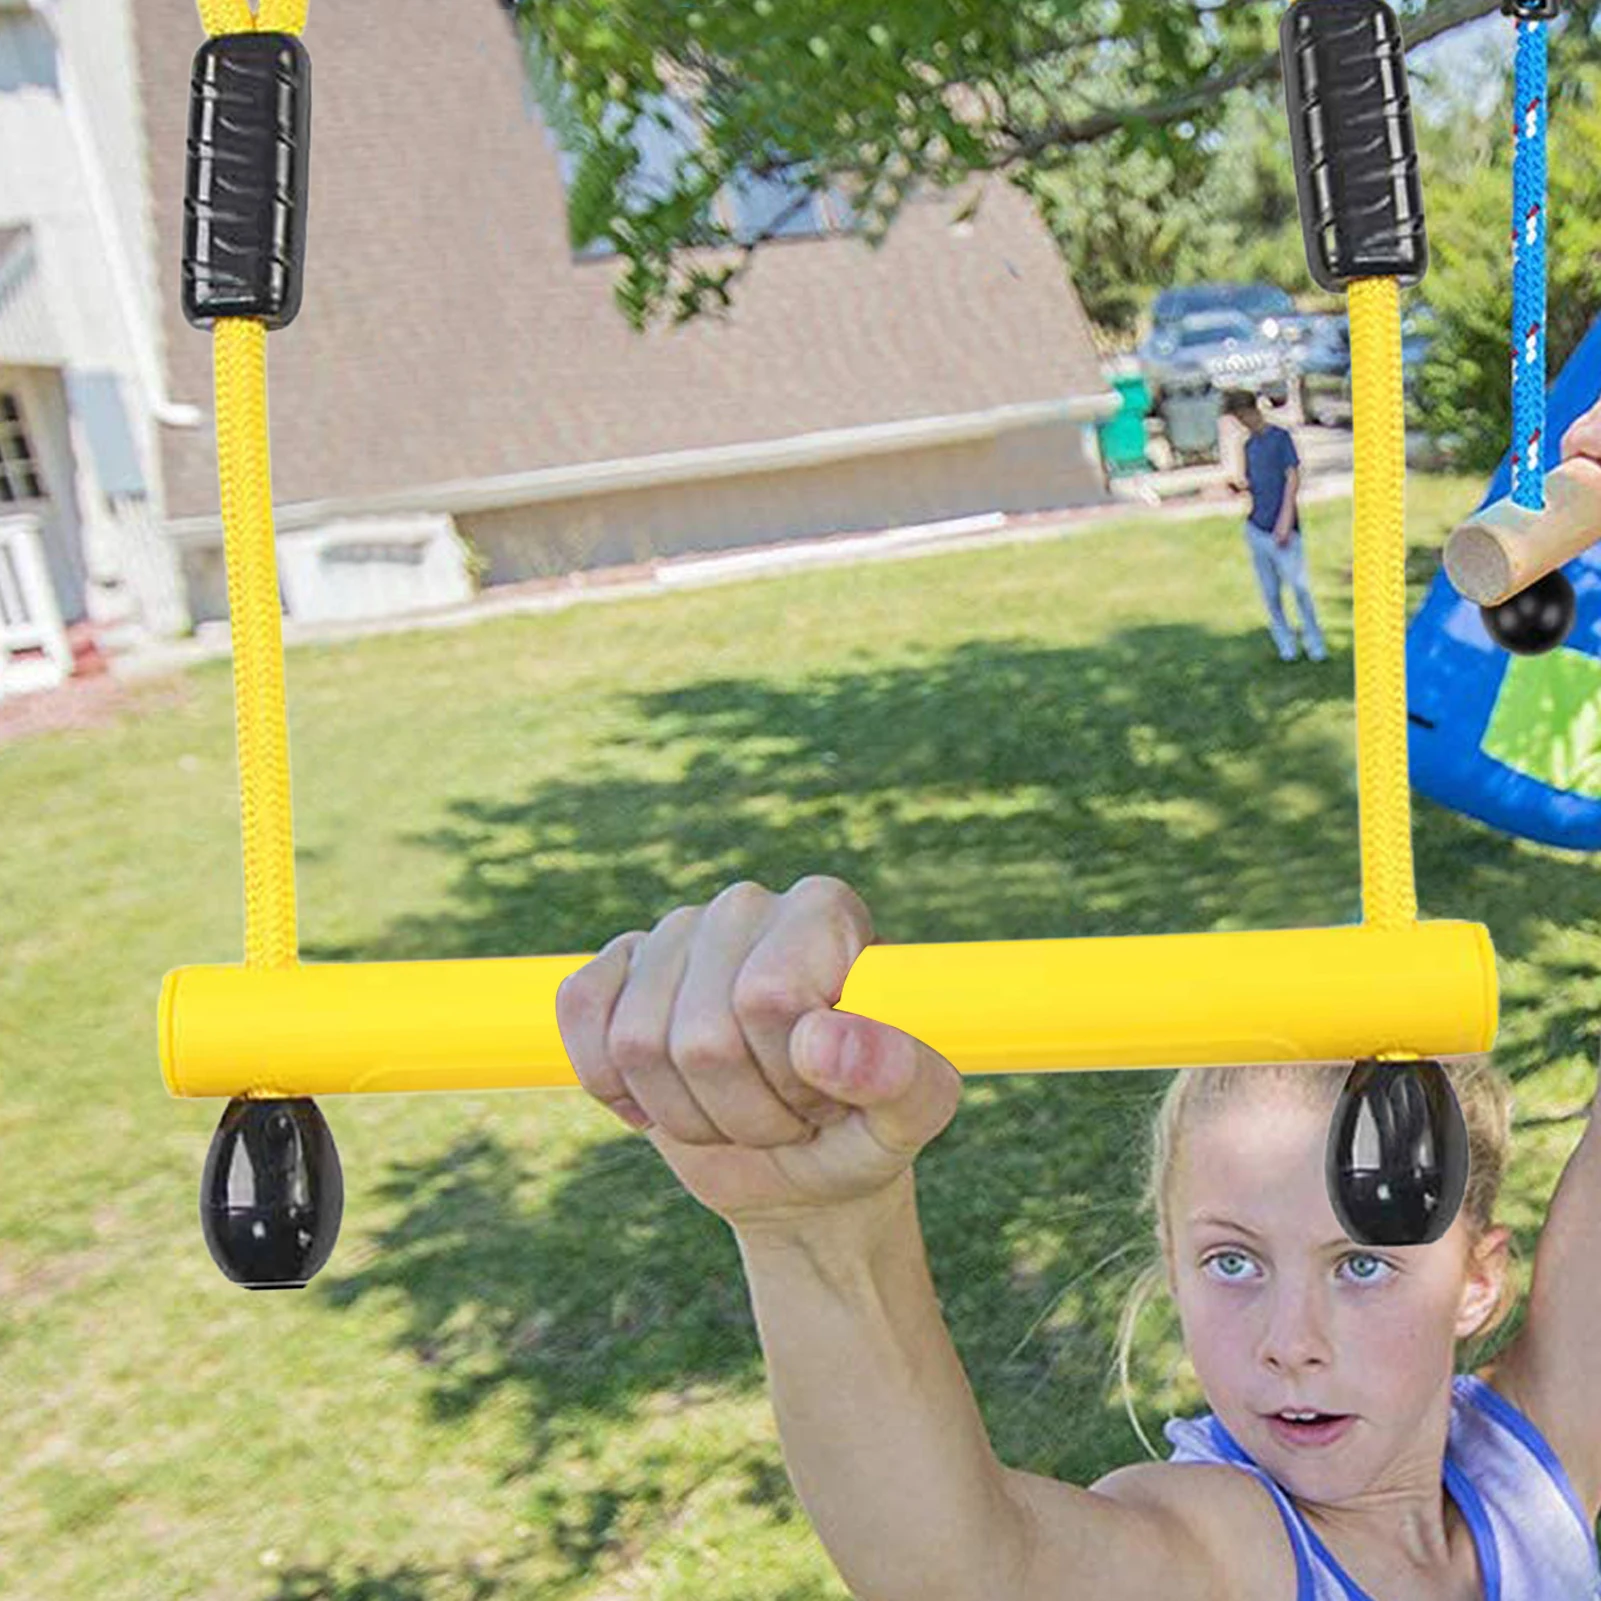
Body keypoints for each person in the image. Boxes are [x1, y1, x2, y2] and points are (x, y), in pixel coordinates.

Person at [553, 409, 1601, 1601]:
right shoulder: (1225, 1546)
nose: (1286, 1338)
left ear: (1480, 1277)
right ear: (1166, 1260)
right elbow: (970, 1565)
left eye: (1361, 1264)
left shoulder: (1531, 1467)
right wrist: (813, 1234)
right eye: (1229, 1258)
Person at [1222, 388, 1329, 665]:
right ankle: (1286, 645)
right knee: (1270, 592)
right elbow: (1254, 483)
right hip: (1257, 525)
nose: (1242, 422)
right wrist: (1239, 488)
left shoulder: (1280, 438)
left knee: (1299, 588)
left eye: (1242, 416)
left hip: (1283, 527)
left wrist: (1285, 520)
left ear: (1251, 411)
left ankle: (1314, 642)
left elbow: (1292, 479)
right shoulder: (1248, 446)